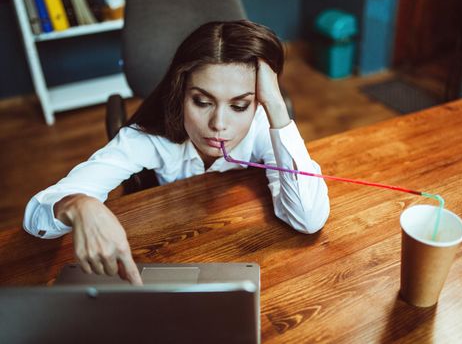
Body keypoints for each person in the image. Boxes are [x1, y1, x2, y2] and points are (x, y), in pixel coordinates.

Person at [23, 20, 330, 285]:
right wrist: (78, 205)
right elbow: (35, 217)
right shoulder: (147, 138)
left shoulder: (262, 122)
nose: (218, 124)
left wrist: (276, 107)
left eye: (238, 106)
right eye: (202, 101)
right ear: (181, 92)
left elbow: (308, 219)